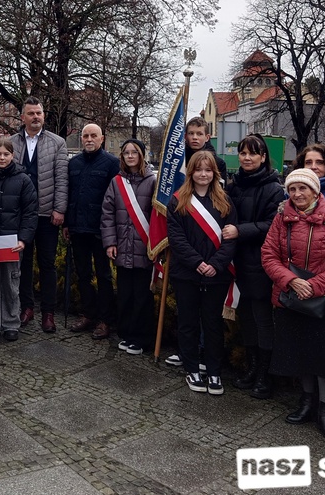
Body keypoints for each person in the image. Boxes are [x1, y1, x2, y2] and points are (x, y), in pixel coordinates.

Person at [261, 167, 325, 443]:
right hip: (292, 296)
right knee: (300, 353)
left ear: (315, 191)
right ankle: (307, 401)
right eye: (292, 189)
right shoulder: (282, 217)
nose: (297, 194)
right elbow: (269, 254)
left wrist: (313, 286)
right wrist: (291, 281)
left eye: (303, 188)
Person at [167, 151, 237, 396]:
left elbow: (230, 239)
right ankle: (192, 368)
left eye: (208, 170)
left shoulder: (226, 201)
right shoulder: (178, 201)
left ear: (214, 173)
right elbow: (177, 238)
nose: (203, 174)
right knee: (187, 323)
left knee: (213, 324)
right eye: (198, 170)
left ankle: (214, 371)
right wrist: (197, 262)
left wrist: (215, 264)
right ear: (191, 172)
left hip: (216, 275)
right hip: (186, 273)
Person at [225, 134, 284, 399]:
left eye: (252, 153)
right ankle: (250, 368)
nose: (247, 158)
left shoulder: (273, 188)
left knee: (262, 321)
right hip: (236, 262)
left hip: (260, 263)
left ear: (263, 157)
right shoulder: (234, 185)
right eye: (243, 153)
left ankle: (264, 375)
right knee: (246, 319)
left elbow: (272, 225)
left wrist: (240, 231)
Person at [10, 97, 68, 332]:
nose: (35, 117)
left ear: (44, 116)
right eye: (31, 113)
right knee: (22, 264)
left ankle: (48, 313)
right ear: (22, 117)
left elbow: (62, 179)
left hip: (46, 215)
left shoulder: (57, 143)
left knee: (47, 264)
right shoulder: (11, 142)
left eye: (39, 113)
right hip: (20, 215)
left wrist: (59, 209)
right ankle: (26, 308)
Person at [100, 139, 155, 356]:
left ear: (142, 155)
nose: (130, 156)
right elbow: (107, 214)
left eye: (134, 152)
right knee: (125, 294)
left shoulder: (153, 181)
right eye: (126, 153)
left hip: (144, 249)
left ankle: (141, 338)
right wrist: (110, 242)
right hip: (122, 247)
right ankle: (126, 333)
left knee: (142, 295)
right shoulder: (116, 182)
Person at [65, 124, 120, 339]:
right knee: (83, 274)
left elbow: (116, 199)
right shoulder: (74, 163)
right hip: (78, 228)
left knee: (104, 276)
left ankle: (105, 320)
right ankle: (88, 314)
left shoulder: (112, 163)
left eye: (93, 136)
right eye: (85, 135)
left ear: (102, 138)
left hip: (101, 229)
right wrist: (67, 224)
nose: (89, 139)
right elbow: (70, 194)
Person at [0, 139, 38, 341]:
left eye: (6, 154)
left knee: (11, 282)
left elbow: (30, 212)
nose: (2, 158)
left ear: (12, 156)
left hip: (12, 242)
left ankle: (11, 322)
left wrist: (24, 238)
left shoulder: (23, 180)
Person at [186, 117, 228, 184]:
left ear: (207, 137)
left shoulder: (218, 163)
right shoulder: (178, 160)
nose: (194, 137)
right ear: (185, 136)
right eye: (191, 133)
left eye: (199, 134)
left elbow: (220, 188)